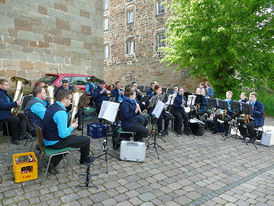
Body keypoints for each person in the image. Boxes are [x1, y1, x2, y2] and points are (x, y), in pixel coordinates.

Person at [42, 89, 94, 174]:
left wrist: (69, 113)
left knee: (72, 141)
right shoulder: (61, 113)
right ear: (64, 99)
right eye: (70, 99)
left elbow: (56, 120)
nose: (70, 101)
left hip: (46, 139)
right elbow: (63, 135)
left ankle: (52, 163)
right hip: (54, 142)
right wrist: (72, 127)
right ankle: (84, 160)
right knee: (86, 140)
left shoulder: (53, 106)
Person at [0, 79, 28, 145]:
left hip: (7, 113)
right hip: (2, 115)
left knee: (21, 116)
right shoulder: (0, 94)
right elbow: (2, 105)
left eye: (8, 84)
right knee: (15, 119)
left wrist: (15, 109)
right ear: (0, 86)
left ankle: (22, 135)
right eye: (6, 85)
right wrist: (15, 103)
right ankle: (14, 139)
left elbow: (9, 104)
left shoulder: (5, 94)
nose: (8, 86)